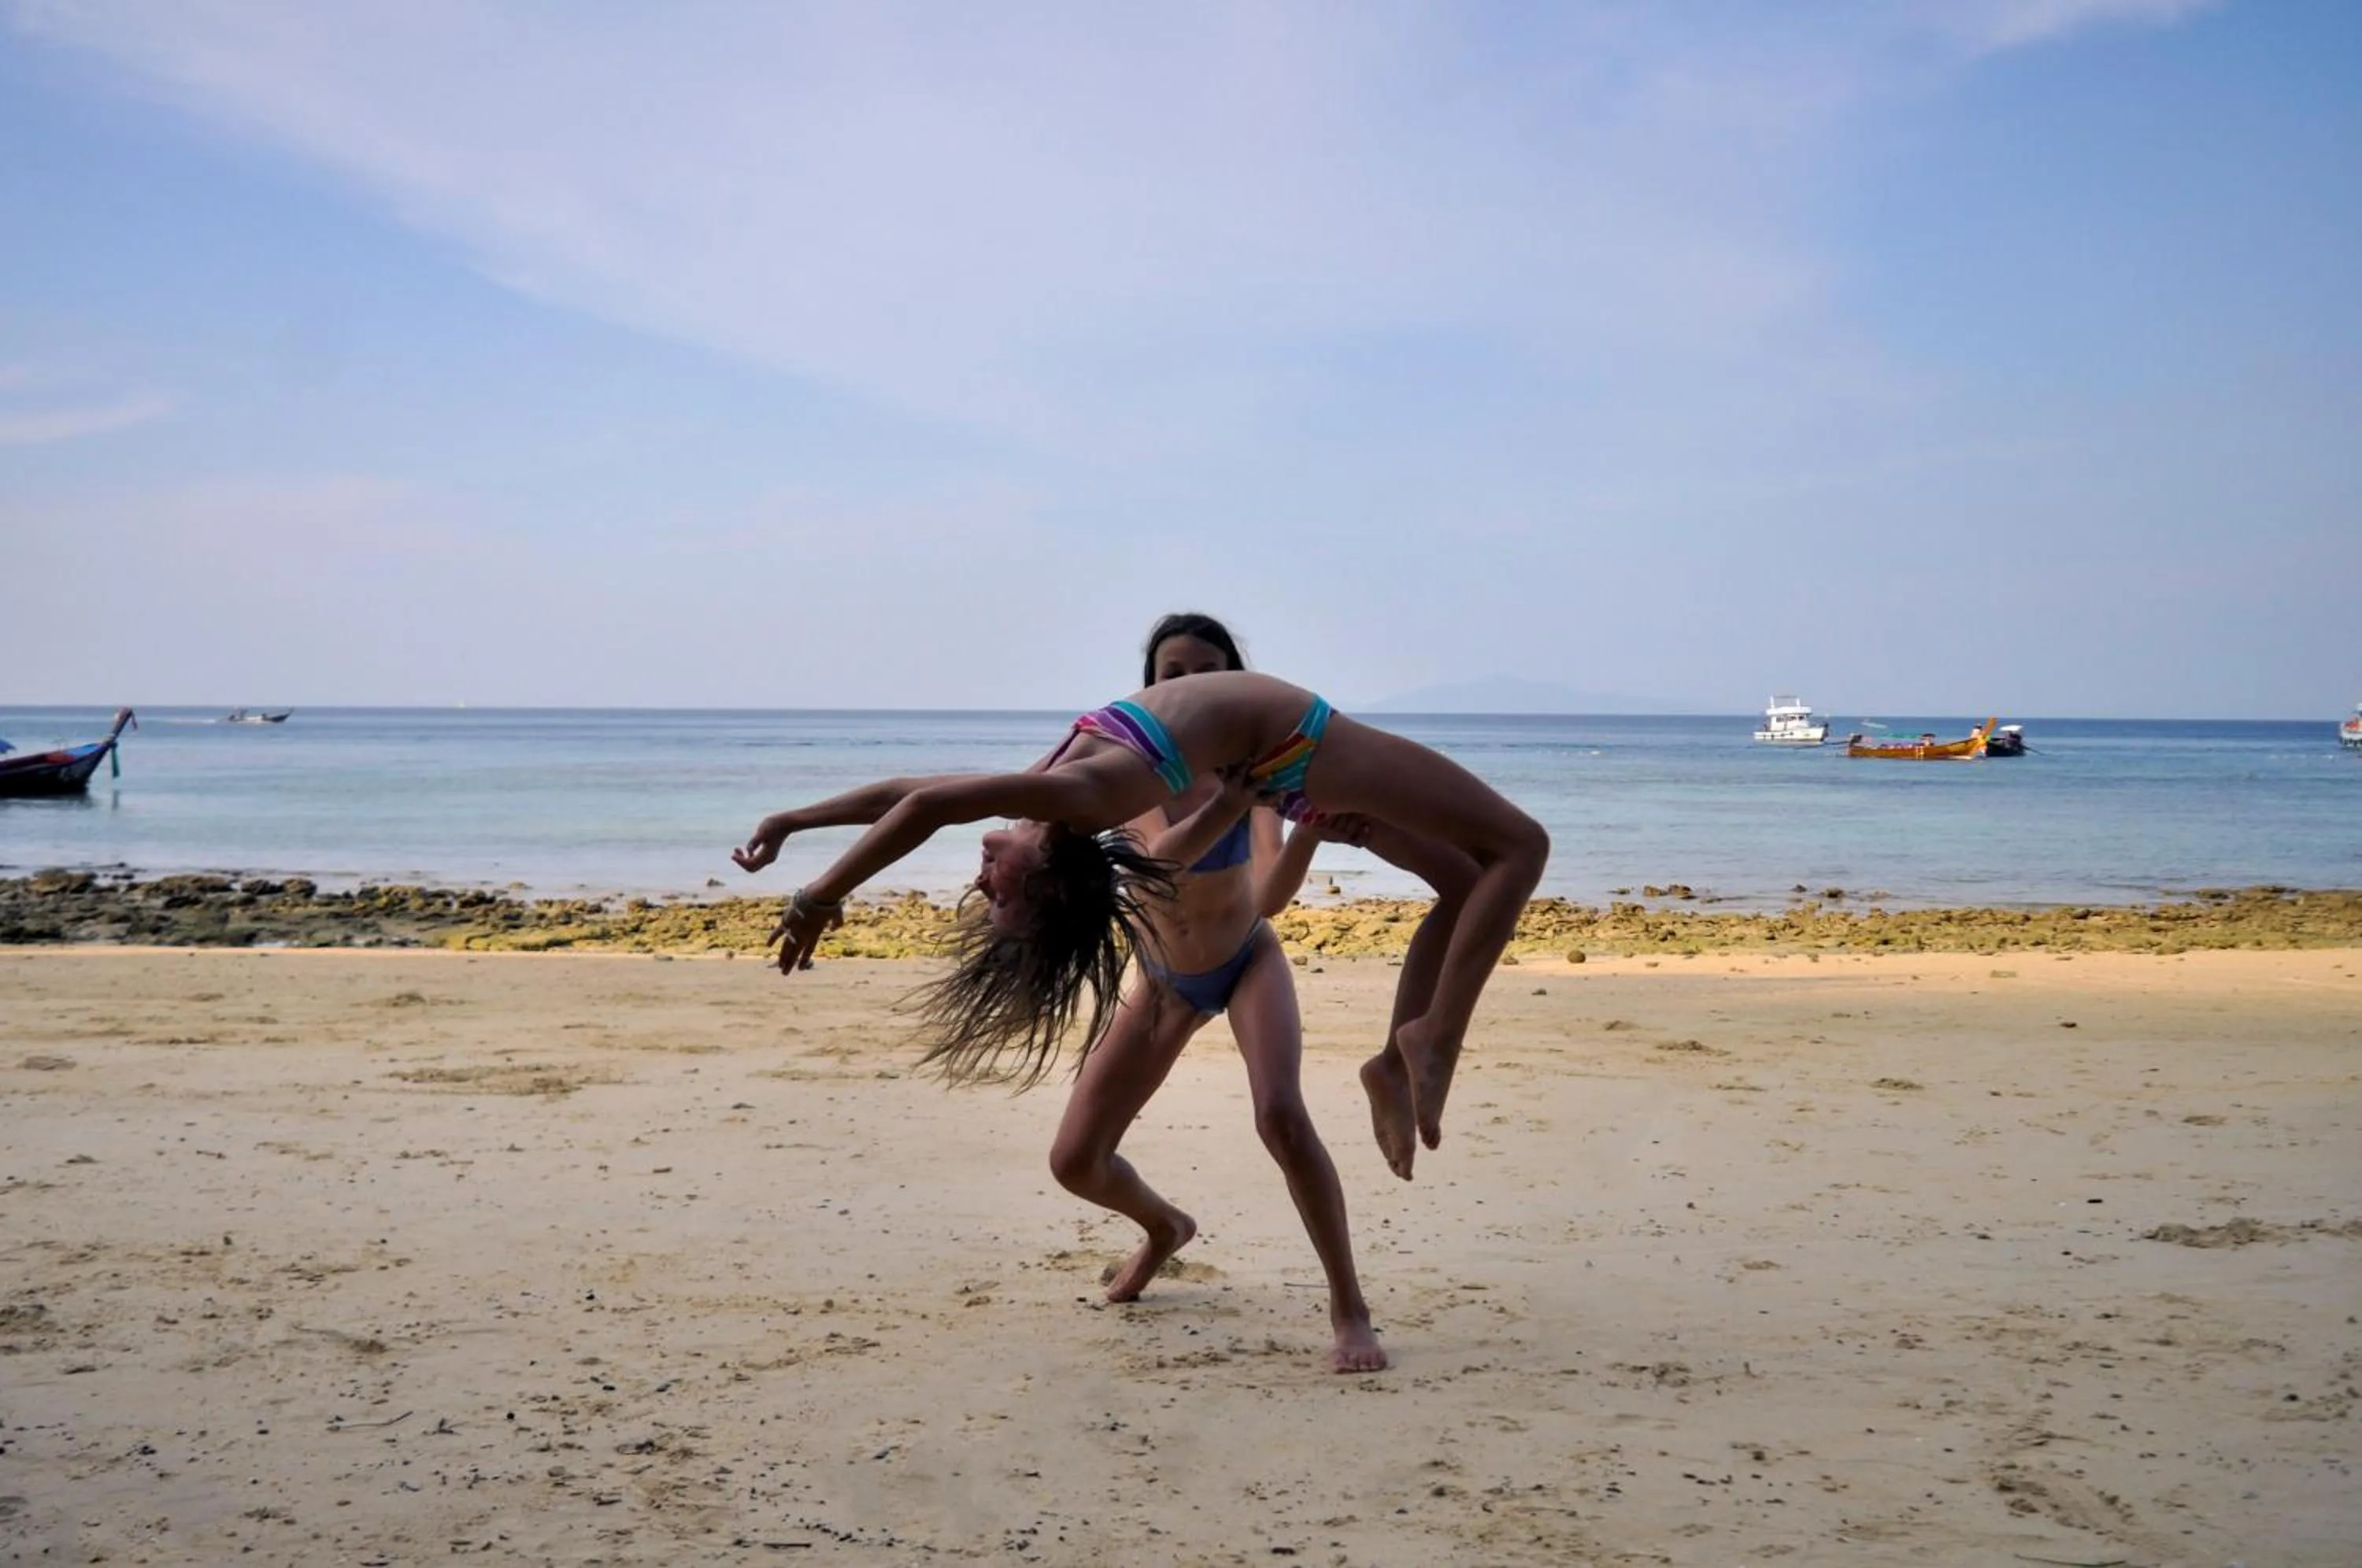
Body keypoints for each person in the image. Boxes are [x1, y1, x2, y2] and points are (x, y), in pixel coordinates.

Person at [732, 662, 1548, 1179]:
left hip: (1281, 770)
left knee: (1462, 883)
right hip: (1299, 742)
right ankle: (1435, 1041)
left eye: (984, 892)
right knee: (1520, 847)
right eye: (999, 895)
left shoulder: (1045, 789)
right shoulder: (1078, 799)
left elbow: (905, 794)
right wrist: (819, 898)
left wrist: (796, 820)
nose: (981, 882)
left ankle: (1397, 1063)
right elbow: (924, 810)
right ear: (1047, 879)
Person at [1027, 612, 1382, 1370]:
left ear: (1235, 685)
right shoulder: (1132, 771)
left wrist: (1309, 825)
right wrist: (1232, 801)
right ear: (1152, 690)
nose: (1190, 688)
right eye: (1173, 676)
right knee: (1075, 1161)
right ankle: (1165, 1227)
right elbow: (1159, 859)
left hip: (1247, 960)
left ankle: (1349, 1309)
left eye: (1206, 674)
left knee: (1281, 1116)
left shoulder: (1261, 781)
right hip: (1165, 981)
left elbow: (1271, 895)